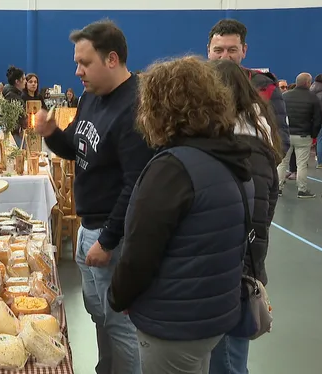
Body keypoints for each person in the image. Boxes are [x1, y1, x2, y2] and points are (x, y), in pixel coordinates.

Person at [108, 56, 253, 374]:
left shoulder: (172, 169)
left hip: (173, 321)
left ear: (159, 110)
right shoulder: (228, 156)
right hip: (213, 312)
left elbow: (139, 254)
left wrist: (117, 297)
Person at [35, 19, 153, 374]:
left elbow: (136, 185)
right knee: (101, 316)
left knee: (121, 325)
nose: (77, 71)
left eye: (85, 63)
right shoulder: (91, 97)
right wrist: (53, 132)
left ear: (112, 59)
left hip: (113, 237)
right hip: (90, 231)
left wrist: (109, 239)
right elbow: (75, 146)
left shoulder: (135, 107)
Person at [209, 58, 282, 374]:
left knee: (226, 362)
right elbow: (266, 210)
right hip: (245, 269)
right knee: (230, 358)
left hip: (232, 275)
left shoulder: (239, 146)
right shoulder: (258, 136)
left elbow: (248, 217)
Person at [207, 19, 290, 155]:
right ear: (208, 50)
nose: (225, 57)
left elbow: (281, 140)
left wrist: (254, 167)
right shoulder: (194, 86)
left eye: (232, 50)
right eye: (218, 50)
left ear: (244, 50)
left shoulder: (264, 87)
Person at [278, 73, 322, 198]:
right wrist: (313, 134)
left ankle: (278, 188)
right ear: (308, 83)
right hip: (303, 136)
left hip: (286, 135)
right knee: (301, 164)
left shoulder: (285, 96)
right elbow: (318, 119)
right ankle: (302, 190)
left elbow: (278, 115)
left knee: (282, 163)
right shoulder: (313, 98)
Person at [2, 66, 27, 147]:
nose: (25, 81)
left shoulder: (9, 94)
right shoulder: (13, 97)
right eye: (23, 79)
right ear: (17, 81)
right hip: (15, 135)